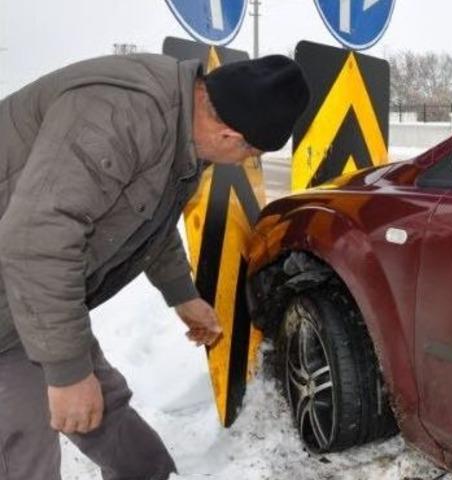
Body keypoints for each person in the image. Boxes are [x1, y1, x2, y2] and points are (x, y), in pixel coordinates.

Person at [0, 53, 310, 479]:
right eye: (251, 153)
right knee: (26, 451)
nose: (243, 161)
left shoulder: (182, 127)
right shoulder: (120, 115)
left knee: (116, 430)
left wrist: (183, 295)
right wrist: (68, 372)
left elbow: (150, 222)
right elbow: (36, 237)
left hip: (33, 299)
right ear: (229, 136)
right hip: (17, 293)